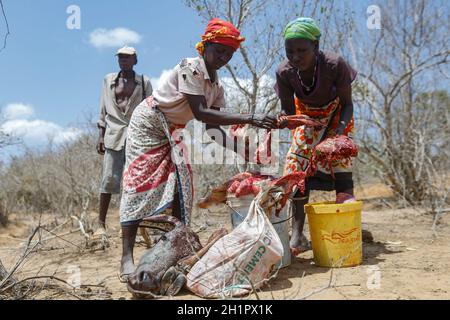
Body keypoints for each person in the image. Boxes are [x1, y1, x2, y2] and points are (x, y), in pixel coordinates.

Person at [118, 18, 279, 281]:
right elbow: (202, 114)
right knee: (138, 184)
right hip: (148, 123)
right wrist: (251, 117)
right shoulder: (189, 68)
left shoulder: (216, 88)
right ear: (204, 47)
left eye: (229, 53)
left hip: (174, 129)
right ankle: (127, 257)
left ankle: (175, 247)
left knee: (183, 187)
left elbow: (212, 130)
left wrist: (242, 149)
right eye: (219, 50)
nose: (224, 57)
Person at [275, 17, 358, 256]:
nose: (295, 57)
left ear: (316, 46)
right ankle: (298, 235)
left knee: (341, 158)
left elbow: (348, 104)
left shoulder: (334, 64)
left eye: (302, 50)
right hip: (306, 117)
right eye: (290, 51)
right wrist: (284, 119)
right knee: (296, 166)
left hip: (337, 115)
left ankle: (346, 227)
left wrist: (338, 135)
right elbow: (290, 114)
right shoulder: (284, 72)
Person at [95, 46, 153, 239]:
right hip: (114, 134)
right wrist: (101, 134)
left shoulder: (144, 82)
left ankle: (128, 224)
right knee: (109, 179)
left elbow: (152, 110)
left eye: (127, 58)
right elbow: (103, 108)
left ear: (135, 60)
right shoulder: (109, 80)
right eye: (120, 58)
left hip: (137, 136)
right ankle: (100, 224)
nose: (123, 61)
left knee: (134, 182)